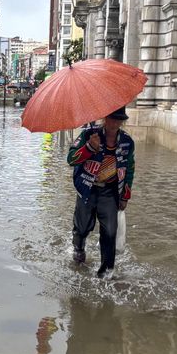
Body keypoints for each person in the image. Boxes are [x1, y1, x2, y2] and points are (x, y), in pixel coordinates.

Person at [67, 106, 135, 277]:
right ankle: (79, 248)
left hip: (110, 192)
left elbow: (130, 169)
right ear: (105, 118)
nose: (115, 123)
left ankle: (106, 271)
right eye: (112, 118)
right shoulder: (88, 135)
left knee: (110, 232)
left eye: (119, 119)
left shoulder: (127, 142)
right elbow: (71, 159)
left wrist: (125, 196)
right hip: (87, 189)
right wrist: (89, 147)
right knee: (82, 227)